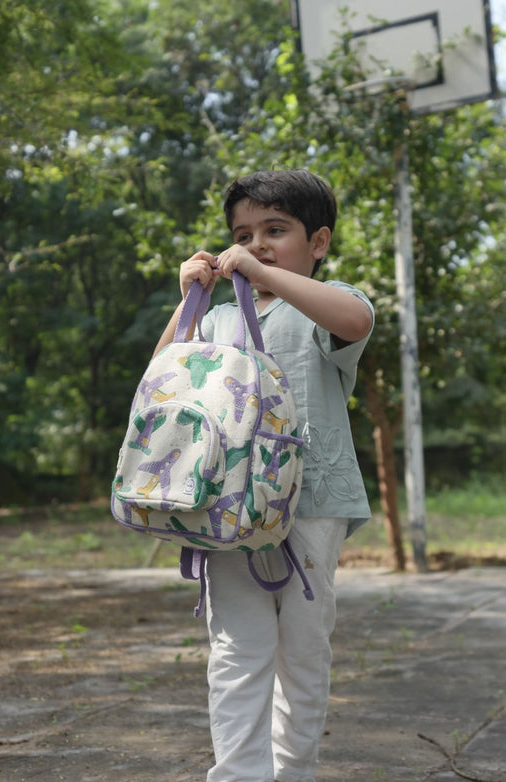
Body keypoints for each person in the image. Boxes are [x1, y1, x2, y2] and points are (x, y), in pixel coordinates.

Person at [153, 169, 374, 782]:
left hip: (313, 501)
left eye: (275, 231)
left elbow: (357, 320)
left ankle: (293, 772)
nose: (254, 246)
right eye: (242, 235)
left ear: (319, 242)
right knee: (236, 651)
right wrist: (188, 298)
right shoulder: (220, 320)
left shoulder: (323, 306)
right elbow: (161, 375)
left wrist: (264, 274)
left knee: (302, 654)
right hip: (226, 507)